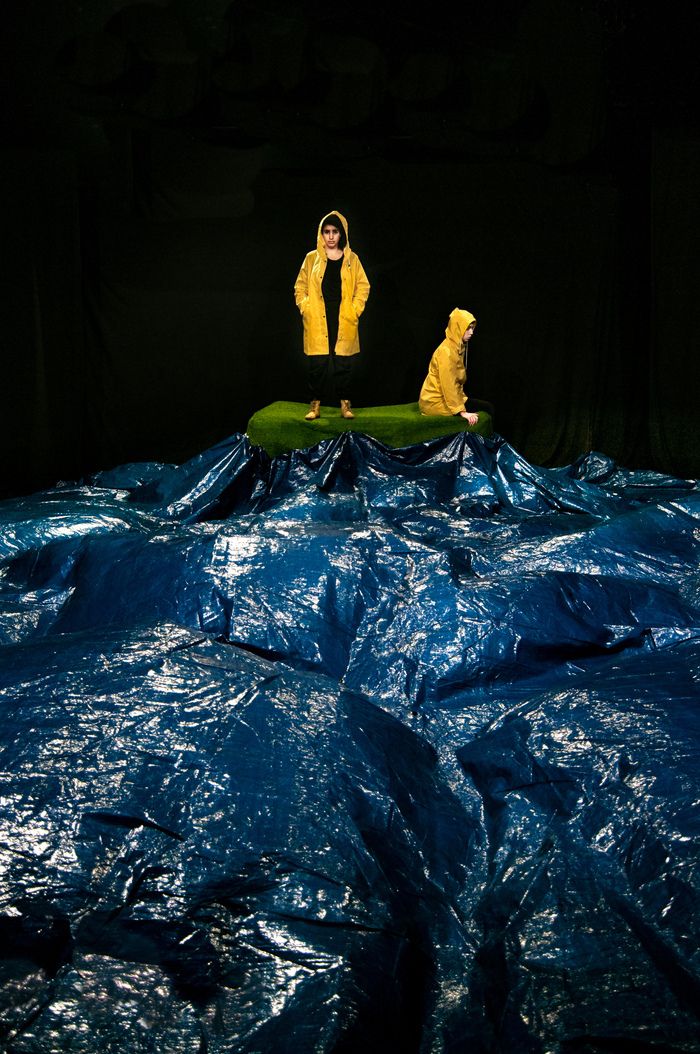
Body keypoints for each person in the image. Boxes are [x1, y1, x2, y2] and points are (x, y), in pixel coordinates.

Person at [294, 211, 370, 420]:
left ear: (341, 234)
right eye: (326, 231)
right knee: (317, 365)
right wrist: (305, 307)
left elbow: (363, 286)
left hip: (343, 317)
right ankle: (314, 405)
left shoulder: (351, 259)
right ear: (321, 233)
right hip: (319, 317)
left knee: (343, 365)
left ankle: (345, 405)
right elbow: (300, 287)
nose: (330, 236)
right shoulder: (312, 258)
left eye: (335, 231)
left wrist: (355, 309)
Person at [418, 307, 480, 425]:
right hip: (435, 401)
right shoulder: (447, 352)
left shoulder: (457, 346)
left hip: (446, 398)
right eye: (467, 328)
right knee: (486, 408)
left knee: (485, 407)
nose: (471, 332)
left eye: (472, 328)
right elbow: (448, 384)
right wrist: (461, 411)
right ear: (458, 328)